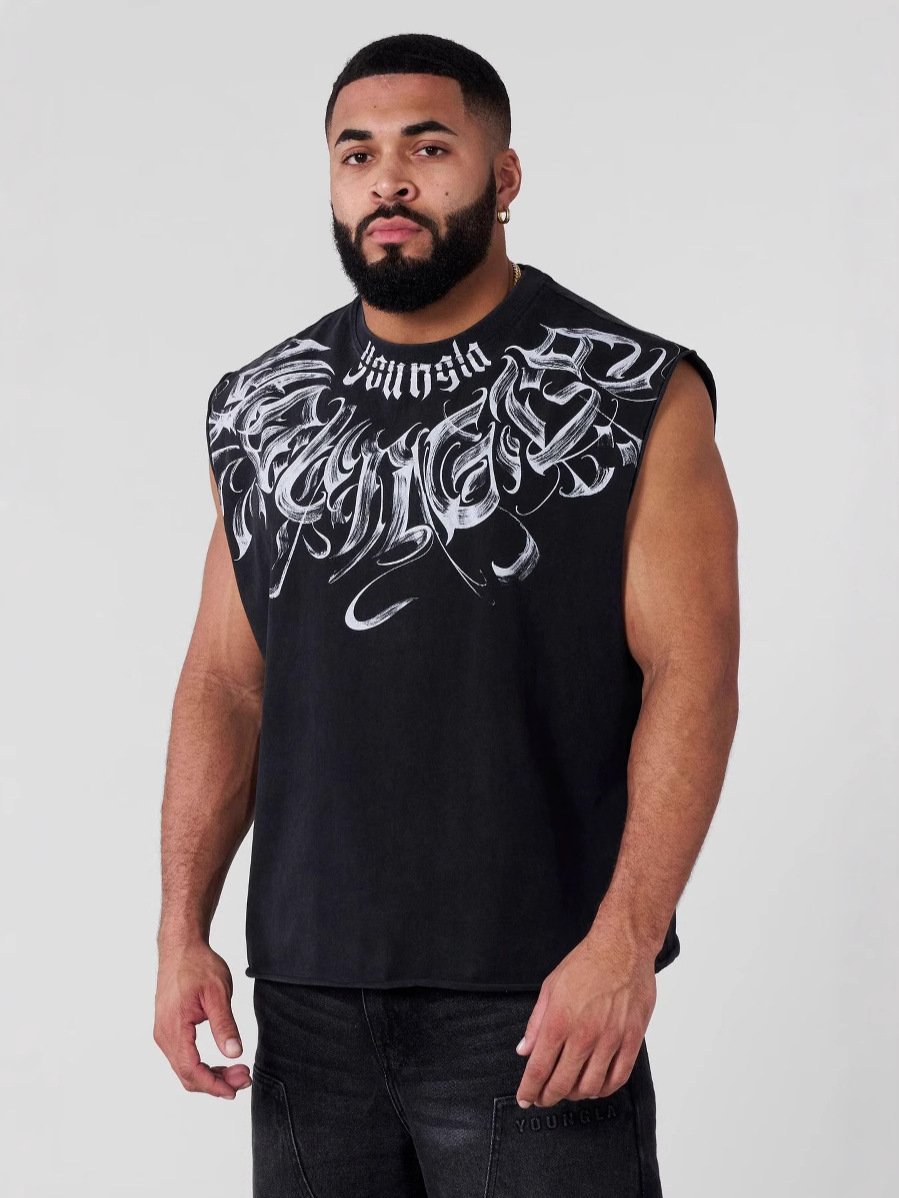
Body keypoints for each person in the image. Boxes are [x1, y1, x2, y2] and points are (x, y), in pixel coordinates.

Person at [154, 31, 739, 1198]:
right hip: (307, 1002)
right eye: (356, 154)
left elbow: (694, 673)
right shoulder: (259, 408)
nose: (389, 180)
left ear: (502, 176)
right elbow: (226, 681)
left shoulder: (631, 390)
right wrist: (180, 931)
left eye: (428, 149)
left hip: (536, 1001)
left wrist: (624, 942)